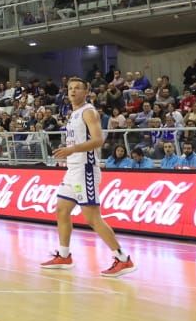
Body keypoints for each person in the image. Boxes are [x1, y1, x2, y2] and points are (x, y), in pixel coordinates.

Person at [40, 78, 135, 278]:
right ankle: (64, 256)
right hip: (73, 169)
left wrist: (72, 149)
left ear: (86, 91)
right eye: (70, 89)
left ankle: (123, 259)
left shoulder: (88, 111)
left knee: (92, 218)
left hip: (86, 170)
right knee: (61, 210)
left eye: (77, 89)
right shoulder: (72, 113)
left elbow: (98, 140)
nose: (73, 92)